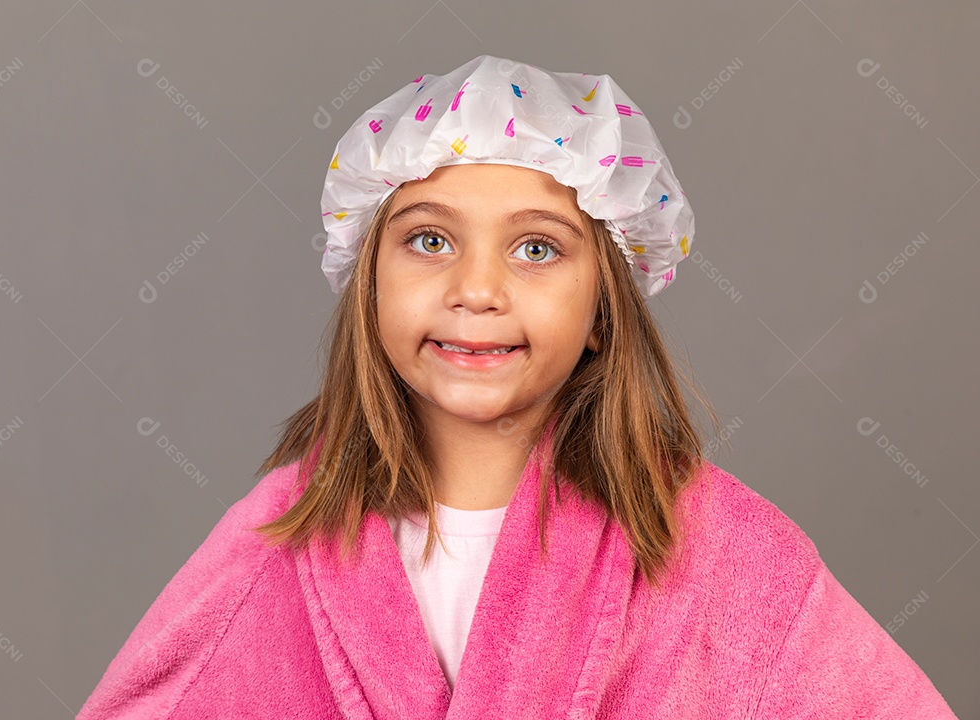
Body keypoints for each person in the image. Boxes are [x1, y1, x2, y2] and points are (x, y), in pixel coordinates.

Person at [76, 54, 959, 718]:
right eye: (428, 241)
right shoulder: (271, 544)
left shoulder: (727, 555)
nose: (477, 289)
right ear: (368, 278)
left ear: (604, 309)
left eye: (537, 248)